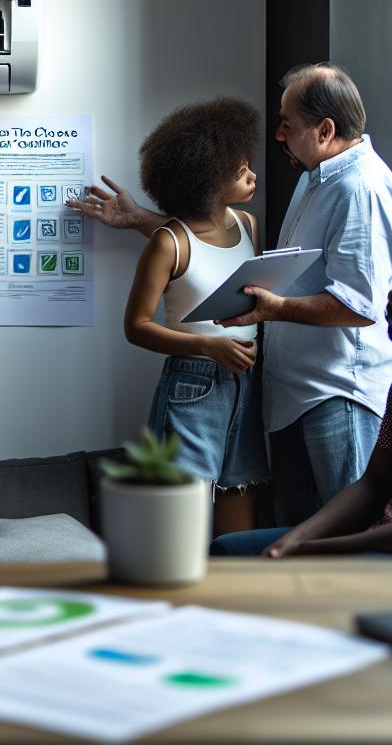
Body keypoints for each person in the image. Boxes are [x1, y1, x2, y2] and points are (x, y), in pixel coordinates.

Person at [71, 64, 392, 526]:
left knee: (337, 531)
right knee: (291, 532)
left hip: (335, 391)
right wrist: (143, 222)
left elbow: (359, 306)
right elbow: (198, 246)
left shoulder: (358, 190)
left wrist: (276, 309)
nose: (278, 136)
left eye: (288, 124)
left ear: (326, 130)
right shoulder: (316, 180)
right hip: (278, 392)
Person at [210, 247, 392, 557]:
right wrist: (295, 540)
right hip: (385, 541)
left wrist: (311, 549)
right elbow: (374, 484)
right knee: (228, 550)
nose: (391, 296)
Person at [123, 98, 268, 534]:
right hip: (192, 383)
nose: (253, 176)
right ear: (206, 176)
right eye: (240, 170)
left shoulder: (248, 225)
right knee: (178, 521)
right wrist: (207, 344)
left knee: (239, 501)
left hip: (248, 381)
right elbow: (136, 327)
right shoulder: (169, 242)